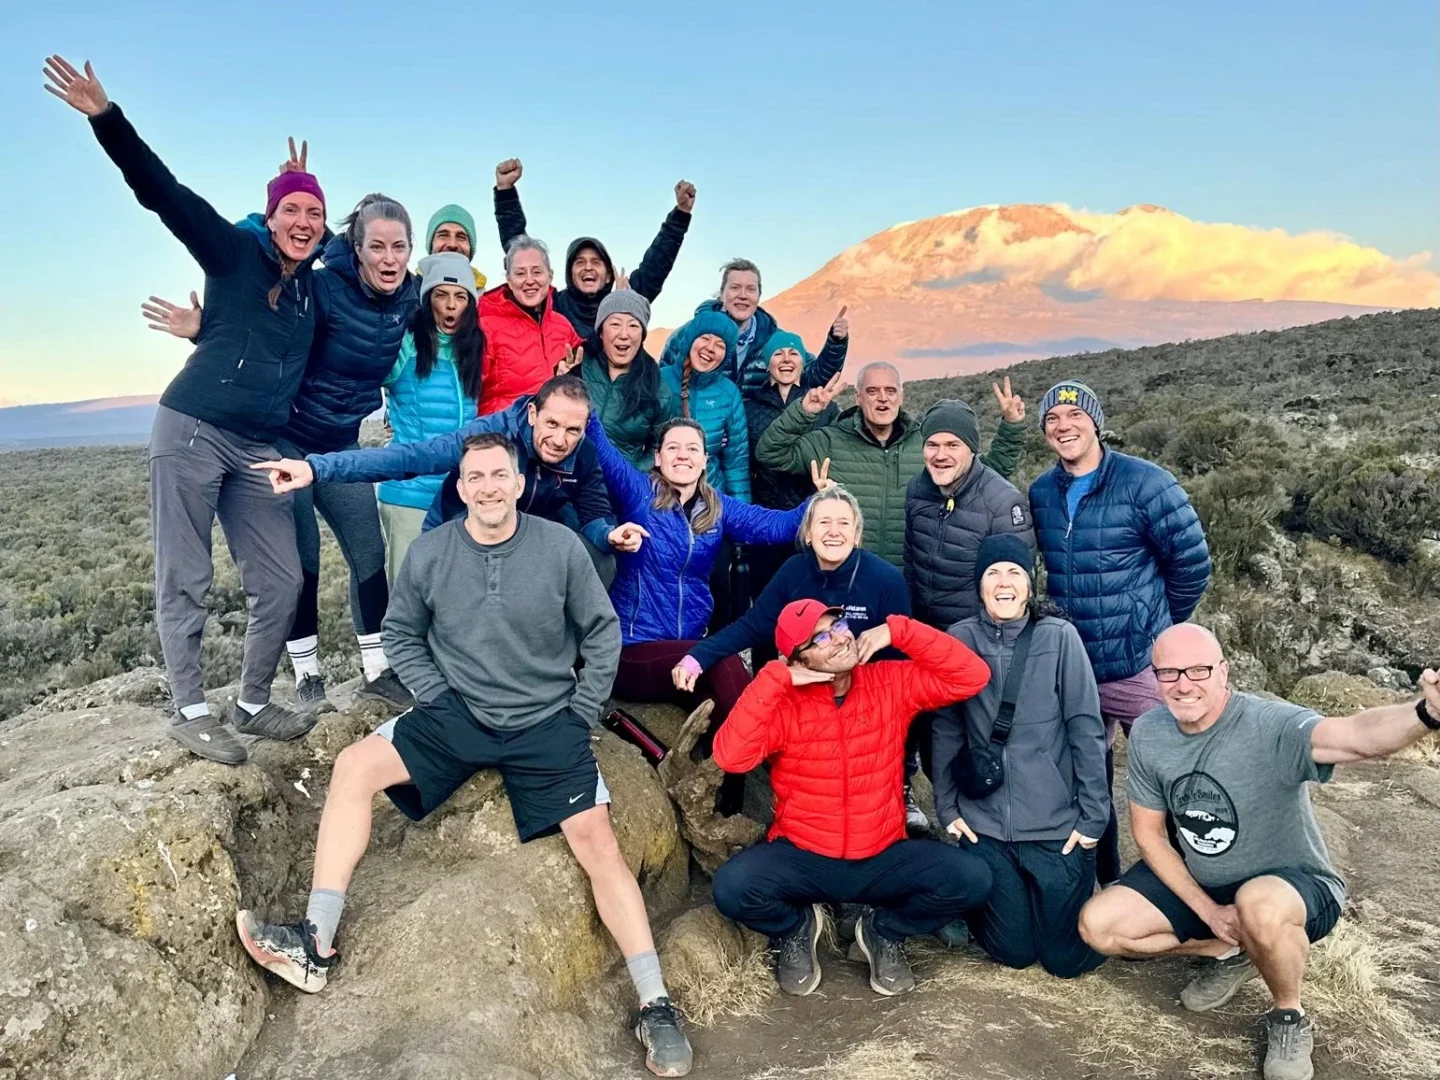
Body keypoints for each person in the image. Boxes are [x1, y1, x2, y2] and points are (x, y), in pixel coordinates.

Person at [235, 432, 693, 1078]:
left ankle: (655, 1002)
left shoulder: (560, 547)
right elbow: (400, 632)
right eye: (474, 477)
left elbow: (601, 630)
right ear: (460, 486)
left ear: (519, 482)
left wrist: (582, 712)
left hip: (544, 721)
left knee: (598, 842)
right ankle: (315, 941)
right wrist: (435, 693)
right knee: (353, 767)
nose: (487, 487)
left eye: (498, 475)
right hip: (458, 714)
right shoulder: (431, 553)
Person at [45, 56, 321, 763]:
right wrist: (107, 119)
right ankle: (190, 708)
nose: (303, 221)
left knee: (282, 578)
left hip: (258, 447)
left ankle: (252, 702)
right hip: (193, 428)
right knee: (187, 574)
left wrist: (208, 328)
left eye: (314, 213)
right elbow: (162, 193)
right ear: (268, 217)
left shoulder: (309, 289)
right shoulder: (232, 252)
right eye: (290, 210)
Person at [1078, 624, 1440, 1080]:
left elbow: (1355, 734)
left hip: (1290, 886)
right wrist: (1209, 912)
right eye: (1168, 673)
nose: (1183, 684)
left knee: (1259, 905)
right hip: (1205, 880)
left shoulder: (1269, 724)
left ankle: (1289, 1015)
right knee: (1099, 926)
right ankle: (1233, 949)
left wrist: (1426, 712)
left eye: (1197, 670)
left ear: (1223, 671)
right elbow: (1149, 835)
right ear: (1154, 678)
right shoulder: (1151, 731)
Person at [151, 193, 423, 714]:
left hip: (341, 445)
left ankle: (377, 670)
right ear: (357, 248)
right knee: (301, 561)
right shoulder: (321, 287)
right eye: (377, 246)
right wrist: (206, 329)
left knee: (368, 552)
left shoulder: (409, 298)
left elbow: (459, 306)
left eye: (399, 247)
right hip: (286, 443)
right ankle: (307, 676)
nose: (389, 258)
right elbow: (266, 325)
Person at [710, 602, 994, 998]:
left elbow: (972, 676)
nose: (839, 638)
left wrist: (897, 631)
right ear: (799, 659)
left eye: (838, 626)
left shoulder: (887, 681)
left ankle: (882, 932)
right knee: (732, 888)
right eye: (820, 639)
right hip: (804, 856)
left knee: (973, 879)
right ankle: (796, 927)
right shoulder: (784, 702)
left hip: (881, 854)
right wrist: (774, 678)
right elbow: (730, 757)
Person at [1028, 380, 1212, 884]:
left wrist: (1157, 631)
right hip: (1077, 668)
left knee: (1173, 773)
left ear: (1095, 422)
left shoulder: (1146, 483)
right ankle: (1106, 882)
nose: (1064, 426)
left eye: (1075, 416)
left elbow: (1192, 564)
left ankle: (1193, 887)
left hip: (1136, 666)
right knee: (1089, 781)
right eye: (1052, 420)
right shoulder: (1042, 492)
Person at [588, 415, 822, 800]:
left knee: (734, 709)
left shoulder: (716, 507)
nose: (683, 455)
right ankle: (744, 800)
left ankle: (766, 792)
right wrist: (585, 409)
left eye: (692, 448)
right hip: (635, 649)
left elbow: (777, 526)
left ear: (705, 460)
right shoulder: (638, 492)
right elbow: (602, 450)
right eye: (673, 448)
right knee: (726, 663)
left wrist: (818, 501)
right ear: (658, 458)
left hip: (687, 653)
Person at [932, 534, 1108, 979]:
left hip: (1054, 826)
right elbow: (947, 728)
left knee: (1063, 959)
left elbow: (1085, 728)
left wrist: (1093, 818)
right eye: (992, 573)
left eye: (1014, 572)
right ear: (979, 586)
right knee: (1014, 951)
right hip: (986, 825)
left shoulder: (1059, 638)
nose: (1003, 582)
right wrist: (947, 807)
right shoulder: (959, 638)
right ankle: (977, 906)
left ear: (1030, 584)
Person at [252, 376, 617, 584]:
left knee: (600, 559)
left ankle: (564, 662)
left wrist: (609, 535)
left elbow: (595, 512)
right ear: (534, 414)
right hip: (463, 536)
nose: (560, 439)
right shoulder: (491, 436)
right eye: (552, 424)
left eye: (573, 430)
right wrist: (316, 468)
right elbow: (410, 458)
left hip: (522, 540)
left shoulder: (582, 453)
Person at [755, 365, 1027, 569]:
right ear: (858, 397)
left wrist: (1012, 427)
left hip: (909, 584)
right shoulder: (829, 441)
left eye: (890, 391)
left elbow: (985, 474)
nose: (882, 398)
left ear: (902, 396)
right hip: (845, 576)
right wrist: (805, 412)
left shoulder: (927, 445)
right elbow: (769, 453)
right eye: (872, 391)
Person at [493, 157, 696, 338]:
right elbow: (520, 251)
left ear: (608, 276)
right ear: (569, 274)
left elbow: (656, 265)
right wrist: (505, 192)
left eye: (596, 262)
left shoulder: (624, 301)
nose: (588, 267)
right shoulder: (552, 305)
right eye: (579, 262)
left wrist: (681, 214)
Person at [377, 252, 485, 581]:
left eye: (460, 297)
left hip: (458, 500)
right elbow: (361, 377)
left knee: (455, 599)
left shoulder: (473, 351)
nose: (451, 305)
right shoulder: (407, 344)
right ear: (427, 300)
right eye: (441, 295)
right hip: (409, 497)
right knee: (408, 598)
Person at [905, 395, 1036, 629]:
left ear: (972, 449)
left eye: (952, 445)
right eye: (932, 445)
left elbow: (1017, 592)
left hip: (975, 638)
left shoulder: (1002, 503)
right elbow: (910, 563)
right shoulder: (917, 488)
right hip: (924, 633)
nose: (940, 455)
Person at [744, 330, 843, 606]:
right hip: (766, 514)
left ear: (803, 362)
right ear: (767, 364)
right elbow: (744, 460)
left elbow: (835, 452)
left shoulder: (825, 406)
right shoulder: (750, 407)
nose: (786, 359)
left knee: (810, 596)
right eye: (778, 354)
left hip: (810, 512)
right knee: (766, 595)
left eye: (794, 353)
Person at [661, 259, 848, 396]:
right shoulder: (687, 335)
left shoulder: (774, 340)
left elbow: (814, 377)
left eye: (751, 289)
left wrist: (836, 343)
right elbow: (663, 386)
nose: (743, 295)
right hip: (702, 430)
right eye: (735, 287)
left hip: (757, 432)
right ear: (722, 294)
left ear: (759, 296)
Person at [572, 289, 680, 469]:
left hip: (620, 483)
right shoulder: (578, 368)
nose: (624, 334)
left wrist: (632, 474)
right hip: (570, 477)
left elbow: (661, 446)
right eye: (615, 324)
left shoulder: (657, 387)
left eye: (633, 326)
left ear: (642, 335)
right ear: (601, 332)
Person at [477, 236, 584, 415]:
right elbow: (468, 393)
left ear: (550, 275)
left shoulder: (563, 326)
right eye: (520, 273)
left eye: (537, 272)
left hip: (551, 428)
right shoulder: (485, 325)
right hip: (501, 430)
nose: (529, 280)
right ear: (509, 279)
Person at [659, 310, 750, 499]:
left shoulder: (728, 393)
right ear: (690, 341)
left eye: (720, 345)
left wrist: (739, 513)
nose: (710, 348)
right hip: (658, 496)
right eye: (705, 338)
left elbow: (736, 463)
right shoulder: (658, 380)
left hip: (709, 499)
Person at [422, 203, 488, 291]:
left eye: (461, 237)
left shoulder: (487, 298)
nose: (452, 244)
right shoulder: (408, 291)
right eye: (443, 235)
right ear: (431, 244)